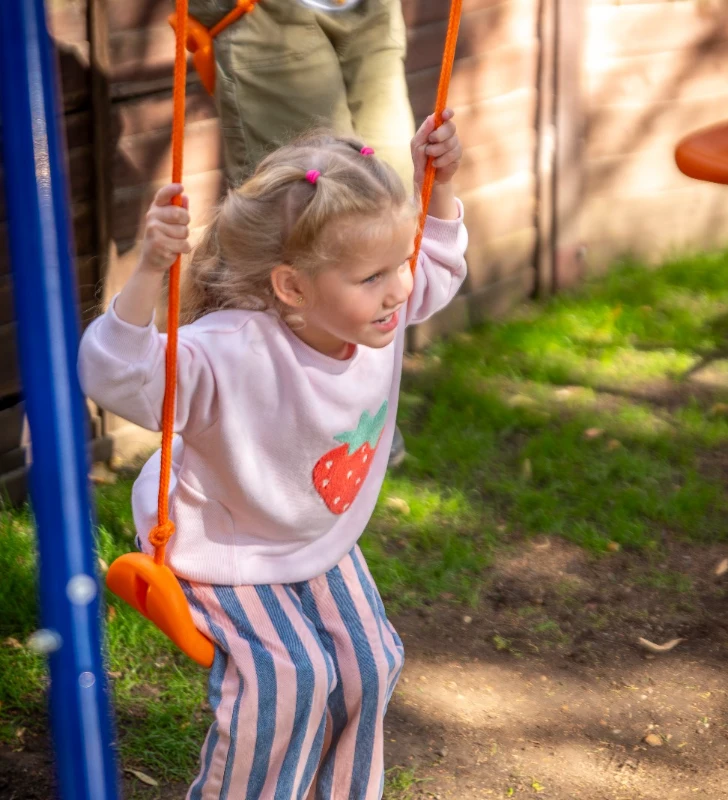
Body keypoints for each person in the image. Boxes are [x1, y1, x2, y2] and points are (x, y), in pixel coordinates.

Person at [78, 111, 465, 798]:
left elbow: (433, 265)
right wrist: (148, 273)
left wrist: (441, 187)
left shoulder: (376, 310)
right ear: (291, 287)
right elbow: (115, 376)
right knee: (292, 679)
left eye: (397, 265)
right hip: (223, 540)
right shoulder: (231, 350)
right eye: (374, 276)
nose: (401, 290)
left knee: (373, 663)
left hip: (316, 536)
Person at [190, 0, 418, 465]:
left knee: (384, 205)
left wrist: (447, 187)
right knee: (309, 218)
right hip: (264, 12)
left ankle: (356, 401)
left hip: (368, 8)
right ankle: (285, 430)